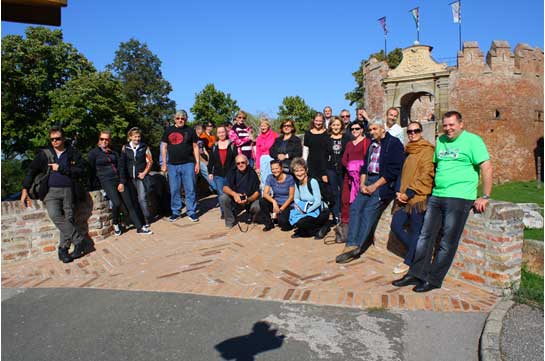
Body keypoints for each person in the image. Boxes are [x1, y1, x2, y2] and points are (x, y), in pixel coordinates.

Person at [392, 111, 493, 292]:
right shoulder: (441, 142)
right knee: (425, 236)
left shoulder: (473, 141)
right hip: (437, 195)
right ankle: (416, 273)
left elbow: (486, 166)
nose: (448, 128)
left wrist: (485, 196)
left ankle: (433, 279)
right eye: (445, 125)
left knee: (447, 241)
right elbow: (436, 167)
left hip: (460, 197)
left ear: (461, 124)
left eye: (451, 125)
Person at [335, 118, 404, 263]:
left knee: (368, 211)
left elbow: (393, 171)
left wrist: (375, 186)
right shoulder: (372, 145)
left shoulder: (394, 144)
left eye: (375, 129)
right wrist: (362, 184)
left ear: (382, 129)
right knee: (355, 207)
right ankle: (351, 243)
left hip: (383, 183)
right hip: (368, 180)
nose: (372, 132)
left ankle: (358, 246)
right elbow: (365, 167)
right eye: (370, 129)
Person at [20, 126, 87, 263]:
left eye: (58, 138)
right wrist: (25, 189)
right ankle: (79, 241)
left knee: (68, 219)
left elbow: (81, 170)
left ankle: (63, 250)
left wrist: (61, 168)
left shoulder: (72, 152)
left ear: (63, 138)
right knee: (55, 215)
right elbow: (31, 171)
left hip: (69, 190)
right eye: (52, 139)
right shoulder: (44, 154)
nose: (55, 141)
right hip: (50, 191)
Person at [390, 121, 435, 274]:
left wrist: (408, 193)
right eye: (409, 131)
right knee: (396, 226)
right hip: (402, 196)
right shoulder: (407, 149)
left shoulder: (427, 150)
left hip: (418, 197)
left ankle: (409, 261)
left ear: (421, 132)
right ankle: (419, 254)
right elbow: (401, 173)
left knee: (416, 230)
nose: (413, 133)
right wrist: (398, 191)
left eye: (416, 131)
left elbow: (426, 175)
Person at [88, 130, 152, 236]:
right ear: (98, 140)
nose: (104, 141)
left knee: (130, 203)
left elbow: (121, 167)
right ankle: (116, 223)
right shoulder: (93, 153)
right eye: (102, 139)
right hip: (106, 181)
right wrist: (93, 186)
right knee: (117, 203)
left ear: (109, 140)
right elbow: (91, 171)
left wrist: (122, 182)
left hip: (119, 180)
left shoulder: (114, 152)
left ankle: (139, 227)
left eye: (106, 139)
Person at [161, 110, 200, 223]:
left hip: (188, 163)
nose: (180, 120)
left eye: (182, 118)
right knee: (174, 189)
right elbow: (164, 147)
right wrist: (164, 163)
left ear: (186, 119)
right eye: (178, 118)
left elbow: (195, 147)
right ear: (174, 119)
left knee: (190, 189)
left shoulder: (190, 130)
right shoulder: (168, 131)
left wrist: (197, 163)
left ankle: (191, 212)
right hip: (172, 165)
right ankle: (176, 212)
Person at [336, 120, 371, 242]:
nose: (355, 131)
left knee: (360, 201)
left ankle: (360, 231)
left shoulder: (367, 142)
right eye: (353, 129)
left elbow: (368, 159)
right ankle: (346, 231)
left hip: (361, 177)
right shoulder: (350, 144)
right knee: (346, 201)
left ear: (362, 129)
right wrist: (350, 167)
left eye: (357, 128)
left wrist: (358, 168)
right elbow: (344, 159)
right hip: (349, 177)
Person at [119, 127, 154, 228]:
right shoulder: (125, 148)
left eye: (139, 137)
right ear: (130, 137)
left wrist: (144, 173)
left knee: (142, 199)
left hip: (140, 177)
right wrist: (122, 178)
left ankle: (146, 218)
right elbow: (122, 164)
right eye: (135, 137)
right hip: (129, 178)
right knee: (132, 200)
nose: (137, 139)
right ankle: (137, 220)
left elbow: (150, 161)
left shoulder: (144, 147)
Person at [289, 158, 330, 239]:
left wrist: (306, 210)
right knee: (294, 220)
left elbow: (318, 201)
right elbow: (296, 199)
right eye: (296, 171)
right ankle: (309, 230)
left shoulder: (312, 182)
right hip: (305, 209)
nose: (299, 173)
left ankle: (323, 227)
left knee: (302, 222)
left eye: (301, 170)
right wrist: (303, 207)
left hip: (319, 210)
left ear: (306, 170)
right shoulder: (297, 183)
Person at [219, 154, 261, 228]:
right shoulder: (232, 171)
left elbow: (257, 192)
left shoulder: (252, 173)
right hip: (236, 198)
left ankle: (252, 216)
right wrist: (235, 194)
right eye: (238, 163)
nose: (240, 165)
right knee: (223, 198)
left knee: (258, 206)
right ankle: (230, 221)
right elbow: (225, 188)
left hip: (249, 199)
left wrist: (248, 199)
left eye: (242, 162)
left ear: (247, 162)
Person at [208, 125, 237, 218]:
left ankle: (232, 209)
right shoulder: (214, 146)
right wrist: (210, 172)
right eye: (219, 132)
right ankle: (224, 211)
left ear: (226, 133)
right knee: (221, 194)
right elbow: (211, 161)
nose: (221, 134)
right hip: (218, 174)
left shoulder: (232, 145)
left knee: (230, 192)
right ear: (217, 134)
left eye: (223, 132)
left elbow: (236, 160)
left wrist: (234, 171)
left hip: (230, 173)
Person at [258, 160, 295, 232]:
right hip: (276, 203)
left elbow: (291, 197)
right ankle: (268, 224)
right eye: (273, 169)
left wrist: (281, 209)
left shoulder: (289, 178)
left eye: (277, 168)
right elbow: (265, 194)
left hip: (286, 204)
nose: (275, 171)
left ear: (281, 168)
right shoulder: (270, 177)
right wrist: (274, 202)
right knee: (262, 201)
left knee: (284, 225)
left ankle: (283, 219)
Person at [326, 117, 346, 224]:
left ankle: (343, 213)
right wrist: (324, 173)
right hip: (331, 169)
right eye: (333, 125)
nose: (336, 127)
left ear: (341, 126)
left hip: (343, 169)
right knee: (334, 192)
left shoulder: (346, 138)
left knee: (344, 191)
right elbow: (324, 156)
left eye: (338, 125)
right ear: (330, 126)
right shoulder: (327, 139)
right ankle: (335, 214)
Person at [304, 112, 330, 183]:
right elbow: (306, 149)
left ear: (323, 121)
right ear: (313, 121)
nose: (318, 123)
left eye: (320, 121)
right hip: (311, 164)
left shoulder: (328, 133)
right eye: (316, 121)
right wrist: (305, 163)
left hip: (325, 164)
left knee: (325, 187)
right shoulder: (308, 133)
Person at [255, 118, 278, 190]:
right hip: (263, 159)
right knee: (264, 179)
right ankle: (264, 194)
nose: (263, 127)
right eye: (261, 126)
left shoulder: (274, 135)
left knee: (274, 176)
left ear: (268, 126)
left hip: (272, 158)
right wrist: (257, 166)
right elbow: (258, 153)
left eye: (264, 125)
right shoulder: (259, 138)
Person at [195, 124, 216, 192]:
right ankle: (217, 188)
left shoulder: (201, 140)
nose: (203, 131)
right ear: (197, 130)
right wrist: (204, 161)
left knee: (212, 170)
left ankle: (212, 188)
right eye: (202, 129)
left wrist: (210, 160)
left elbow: (204, 150)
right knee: (207, 172)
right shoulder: (193, 139)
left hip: (204, 158)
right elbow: (195, 152)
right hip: (198, 160)